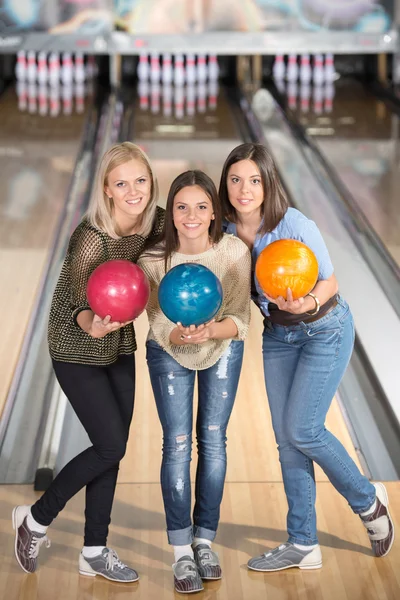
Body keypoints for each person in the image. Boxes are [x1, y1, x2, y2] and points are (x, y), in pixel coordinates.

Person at [219, 142, 394, 572]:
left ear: (268, 184)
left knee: (303, 429)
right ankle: (303, 542)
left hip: (324, 329)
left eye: (254, 180)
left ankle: (368, 502)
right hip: (278, 336)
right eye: (236, 179)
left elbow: (331, 282)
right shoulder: (223, 233)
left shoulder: (293, 223)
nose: (245, 189)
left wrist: (307, 305)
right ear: (226, 183)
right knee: (287, 441)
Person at [12, 142, 165, 582]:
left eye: (140, 180)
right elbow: (75, 300)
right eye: (122, 183)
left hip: (118, 344)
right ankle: (36, 519)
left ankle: (94, 550)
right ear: (107, 189)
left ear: (151, 180)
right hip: (77, 343)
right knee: (111, 445)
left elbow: (189, 227)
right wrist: (91, 324)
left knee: (109, 450)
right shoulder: (92, 236)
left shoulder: (153, 221)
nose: (133, 190)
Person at [138, 170, 251, 593]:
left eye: (201, 207)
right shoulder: (153, 260)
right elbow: (156, 317)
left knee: (214, 439)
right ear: (172, 214)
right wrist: (178, 333)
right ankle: (181, 551)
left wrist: (210, 331)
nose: (191, 216)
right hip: (168, 350)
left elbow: (241, 317)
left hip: (221, 346)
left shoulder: (234, 252)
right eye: (182, 207)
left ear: (213, 213)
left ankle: (205, 541)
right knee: (178, 444)